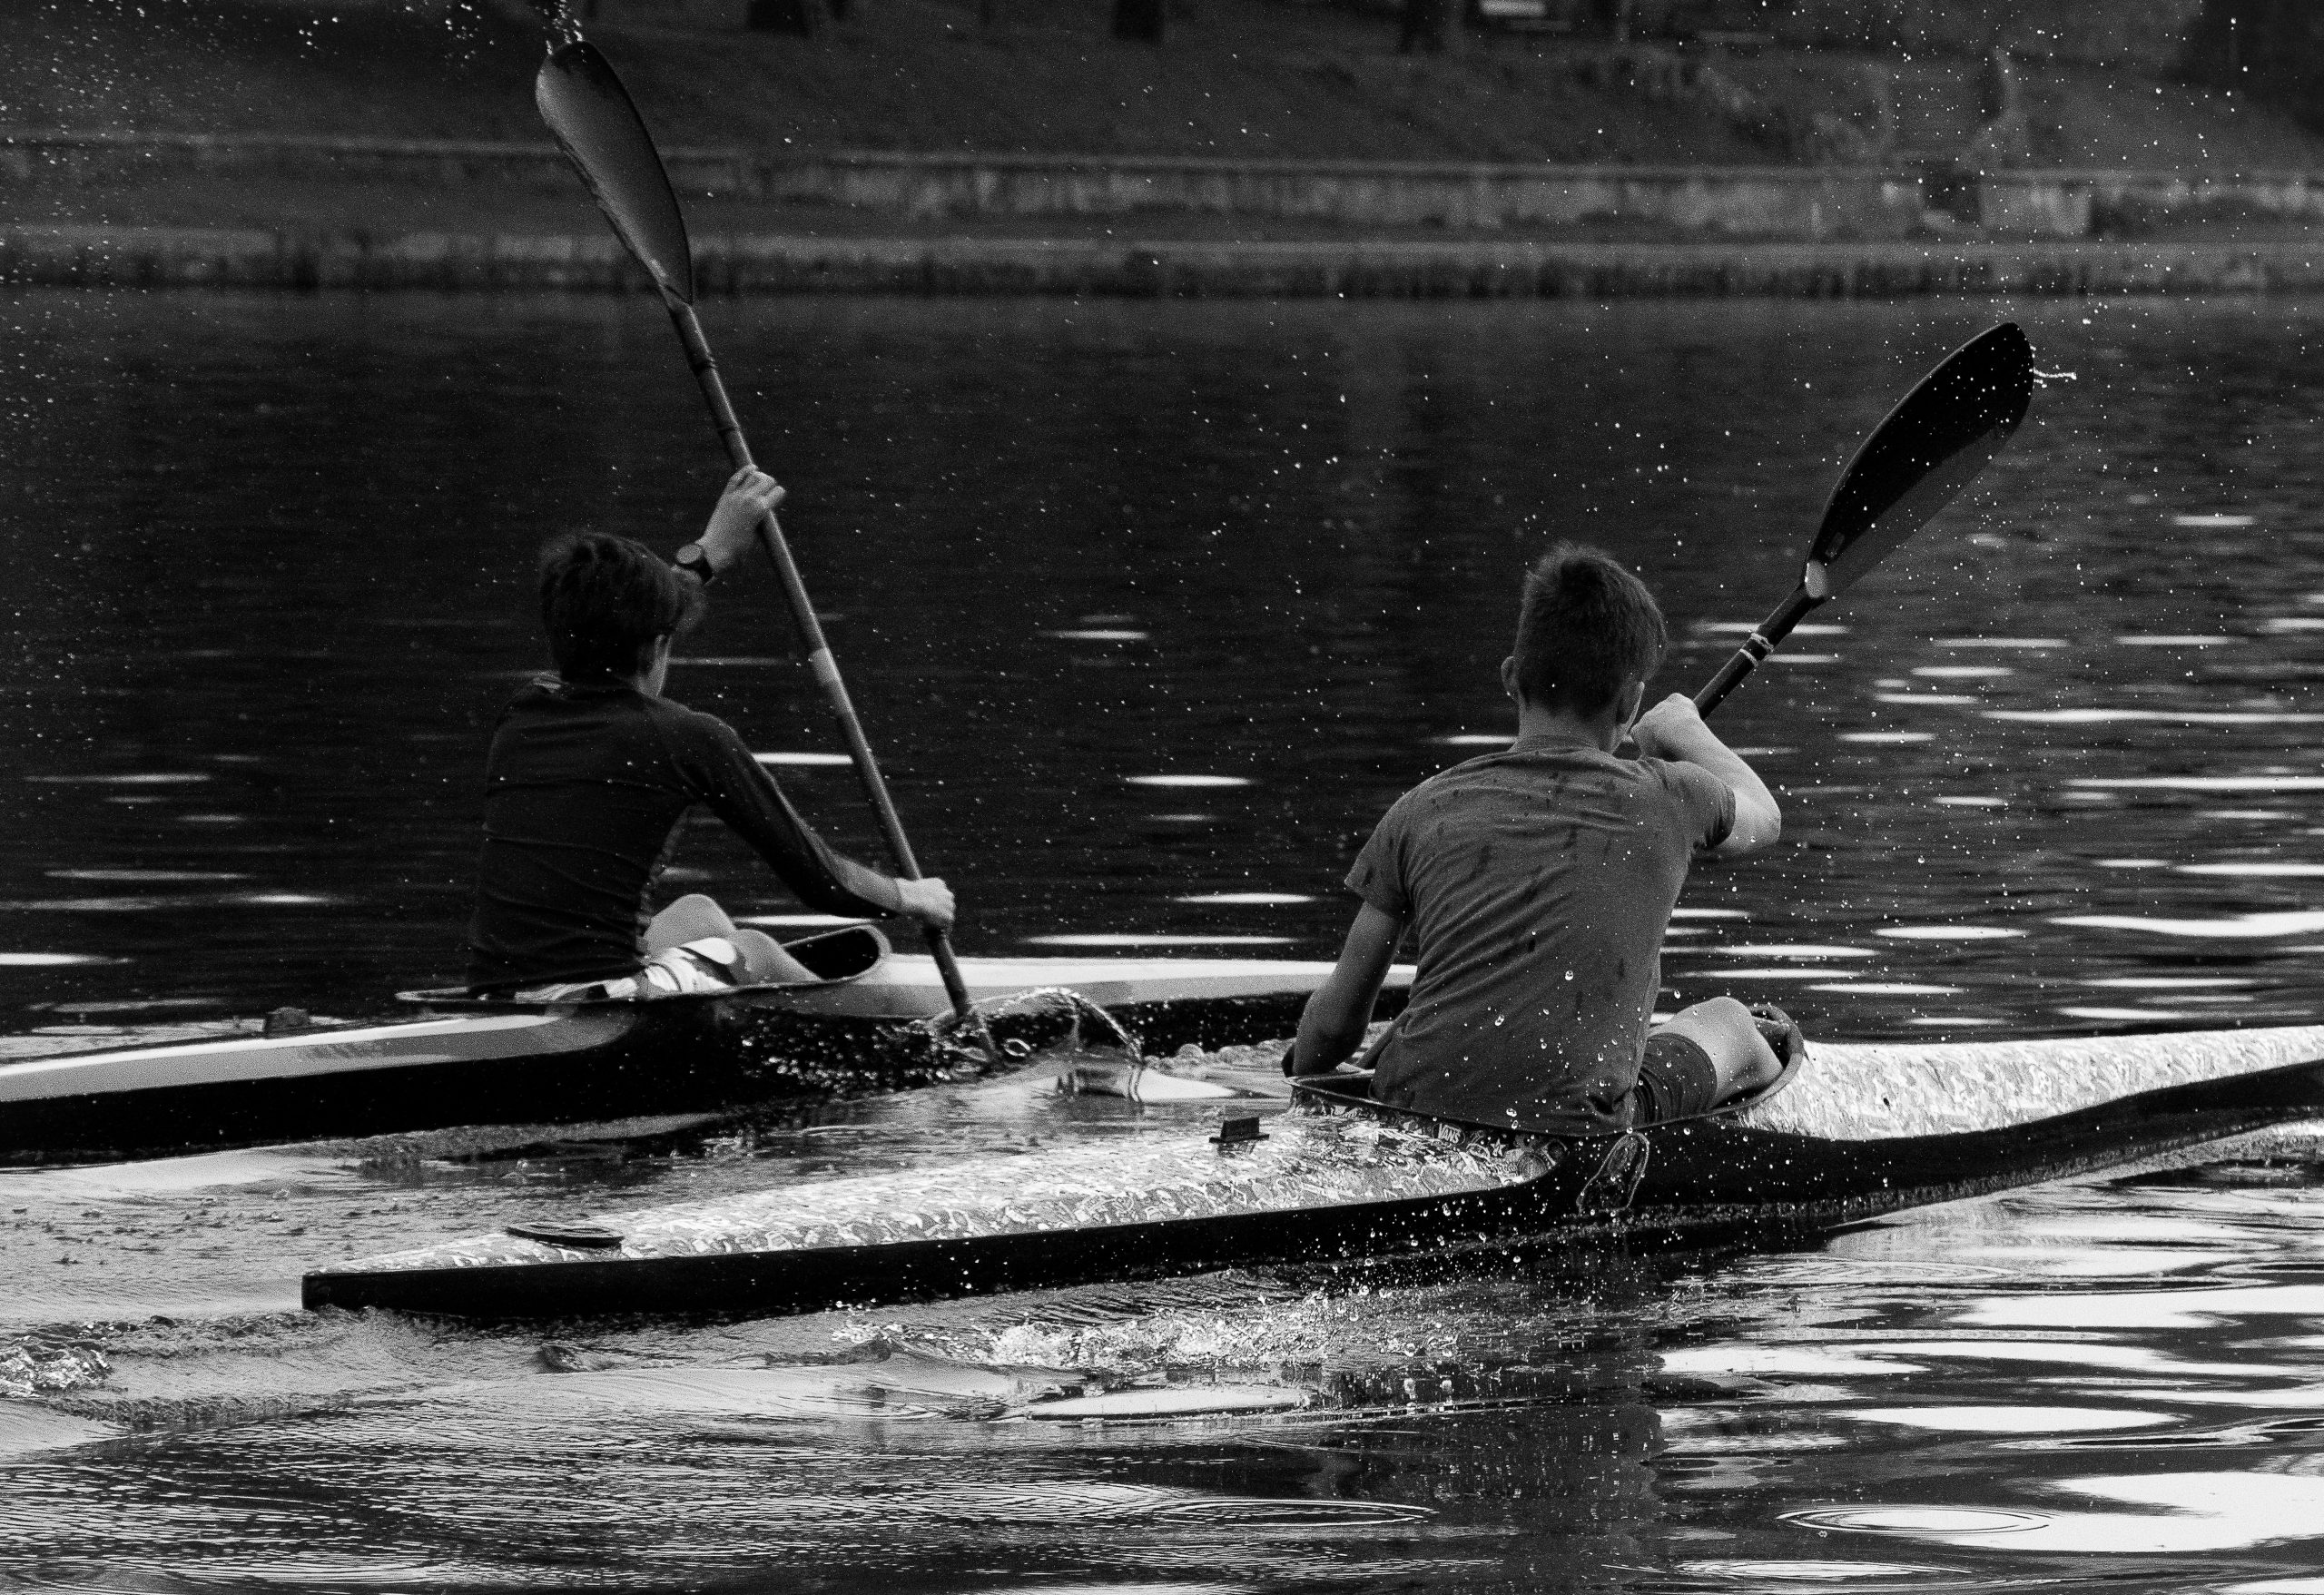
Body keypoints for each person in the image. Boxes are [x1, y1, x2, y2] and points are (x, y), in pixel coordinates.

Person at [1285, 543, 1788, 1134]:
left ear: (1510, 677)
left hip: (1407, 1112)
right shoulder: (1674, 796)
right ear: (1630, 700)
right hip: (1580, 1133)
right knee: (1731, 1019)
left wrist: (1302, 1092)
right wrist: (1685, 731)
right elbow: (1765, 815)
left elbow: (1338, 1024)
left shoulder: (1422, 808)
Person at [464, 467, 953, 999]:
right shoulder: (686, 737)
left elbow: (609, 619)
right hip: (592, 1002)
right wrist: (909, 896)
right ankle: (876, 1038)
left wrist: (706, 555)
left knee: (696, 915)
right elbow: (822, 880)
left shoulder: (520, 717)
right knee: (757, 950)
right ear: (656, 645)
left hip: (493, 990)